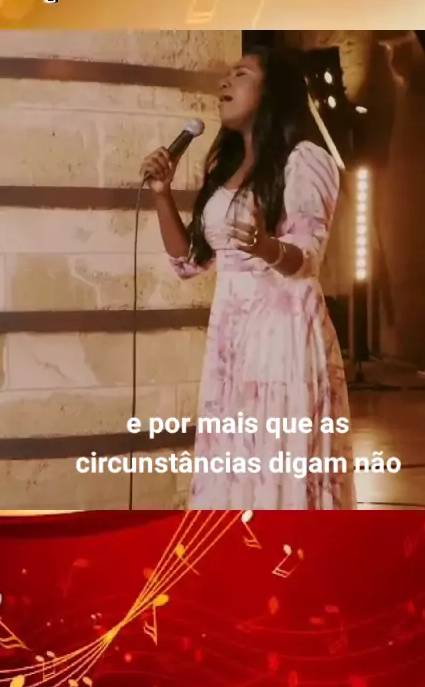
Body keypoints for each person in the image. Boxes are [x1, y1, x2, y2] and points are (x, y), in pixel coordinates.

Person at [140, 45, 356, 510]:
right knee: (232, 466)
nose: (224, 83)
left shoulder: (304, 159)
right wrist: (161, 194)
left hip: (283, 336)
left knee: (276, 465)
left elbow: (307, 257)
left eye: (239, 74)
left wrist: (265, 246)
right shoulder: (226, 170)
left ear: (271, 91)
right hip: (231, 340)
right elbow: (189, 262)